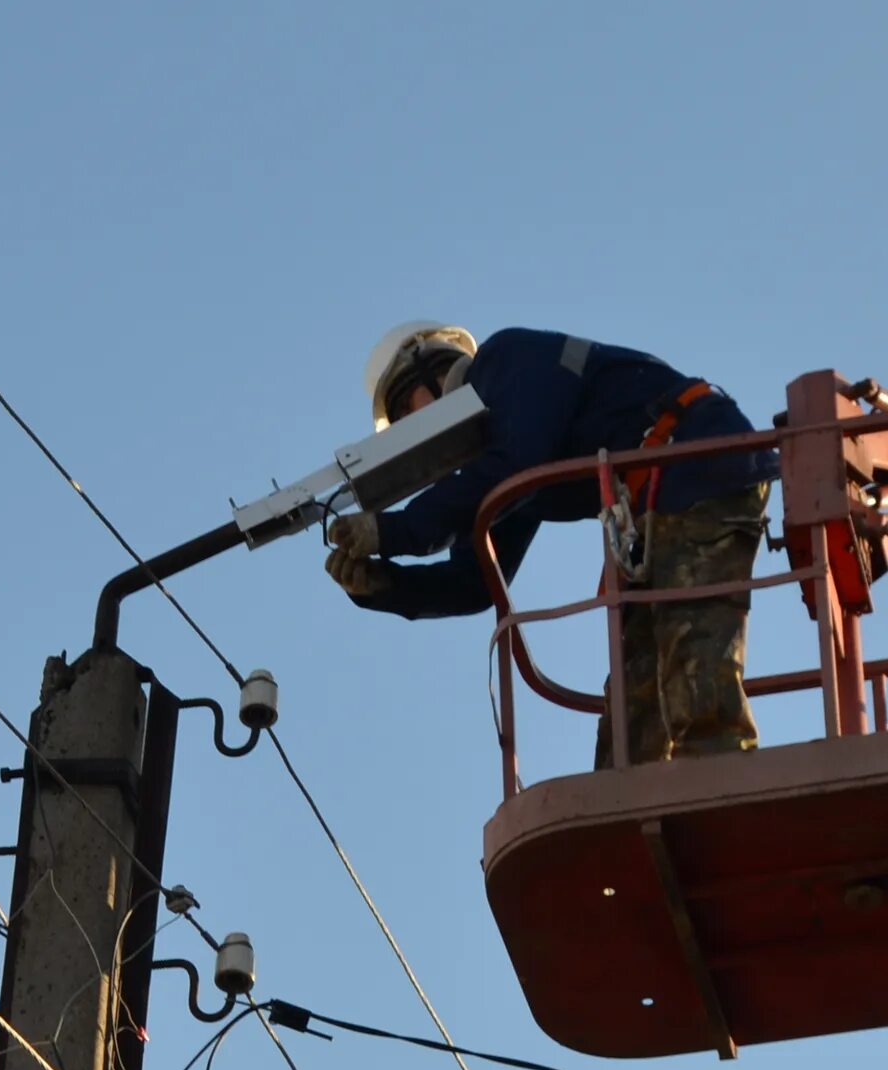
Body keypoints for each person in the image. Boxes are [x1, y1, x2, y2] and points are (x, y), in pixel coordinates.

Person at [325, 322, 778, 764]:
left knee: (692, 660)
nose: (412, 427)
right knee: (632, 705)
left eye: (408, 408)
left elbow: (517, 464)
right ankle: (619, 814)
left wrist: (391, 531)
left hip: (699, 466)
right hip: (658, 507)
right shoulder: (501, 458)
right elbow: (476, 582)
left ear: (433, 368)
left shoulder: (506, 361)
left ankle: (720, 773)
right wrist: (384, 585)